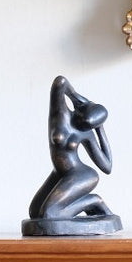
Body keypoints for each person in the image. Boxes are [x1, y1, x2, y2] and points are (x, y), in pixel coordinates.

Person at [27, 74, 115, 222]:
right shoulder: (61, 115)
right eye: (83, 120)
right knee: (35, 212)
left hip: (82, 175)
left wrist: (100, 129)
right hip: (60, 173)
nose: (83, 126)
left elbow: (107, 167)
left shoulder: (87, 132)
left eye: (88, 125)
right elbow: (60, 82)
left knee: (49, 215)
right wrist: (79, 101)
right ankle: (92, 202)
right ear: (80, 111)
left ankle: (94, 202)